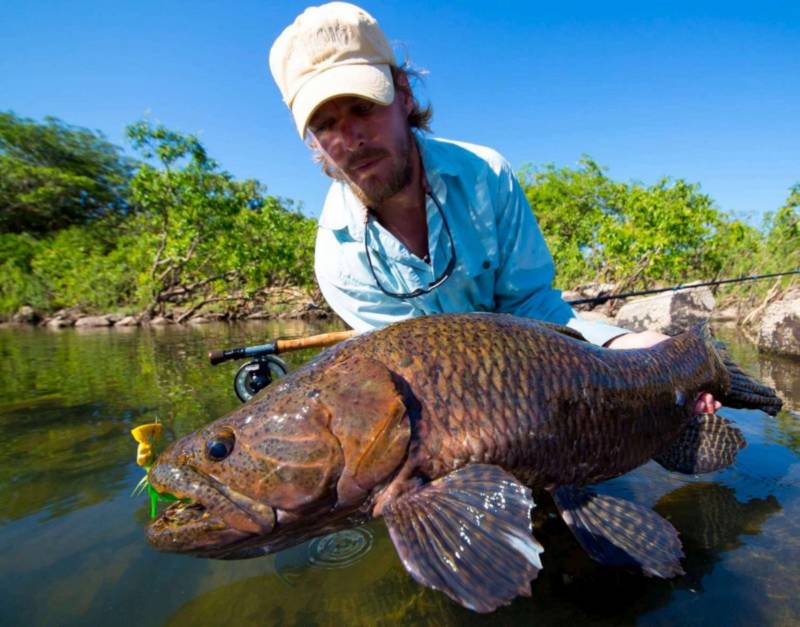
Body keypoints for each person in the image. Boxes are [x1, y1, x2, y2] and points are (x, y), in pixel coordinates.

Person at [268, 2, 719, 415]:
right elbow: (403, 376)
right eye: (325, 124)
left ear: (402, 93)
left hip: (538, 386)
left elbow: (533, 305)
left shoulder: (487, 175)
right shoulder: (338, 260)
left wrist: (625, 343)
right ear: (313, 140)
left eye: (362, 107)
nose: (351, 138)